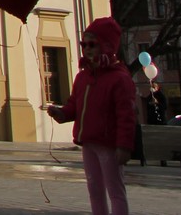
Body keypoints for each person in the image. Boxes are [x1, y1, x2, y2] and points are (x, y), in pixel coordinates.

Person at [47, 17, 135, 215]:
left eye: (92, 44)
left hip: (109, 144)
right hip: (88, 142)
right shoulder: (83, 77)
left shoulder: (119, 78)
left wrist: (124, 146)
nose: (87, 48)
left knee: (115, 190)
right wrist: (62, 113)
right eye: (84, 44)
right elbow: (75, 105)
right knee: (94, 189)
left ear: (106, 46)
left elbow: (126, 115)